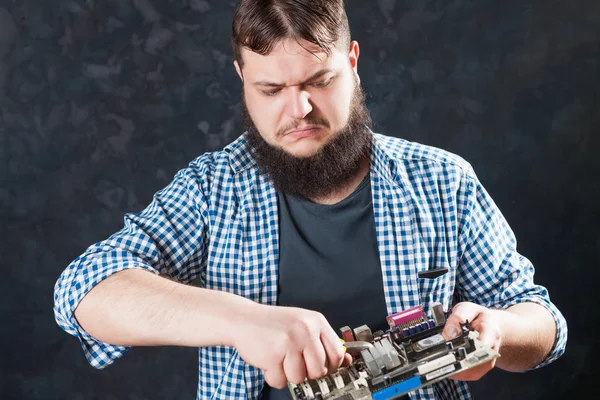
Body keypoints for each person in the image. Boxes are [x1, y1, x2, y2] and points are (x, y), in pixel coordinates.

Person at [53, 0, 567, 399]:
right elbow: (80, 291)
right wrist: (243, 321)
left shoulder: (442, 181)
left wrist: (498, 330)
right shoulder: (212, 191)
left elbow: (543, 323)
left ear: (353, 62)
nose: (298, 109)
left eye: (319, 81)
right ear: (241, 79)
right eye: (271, 89)